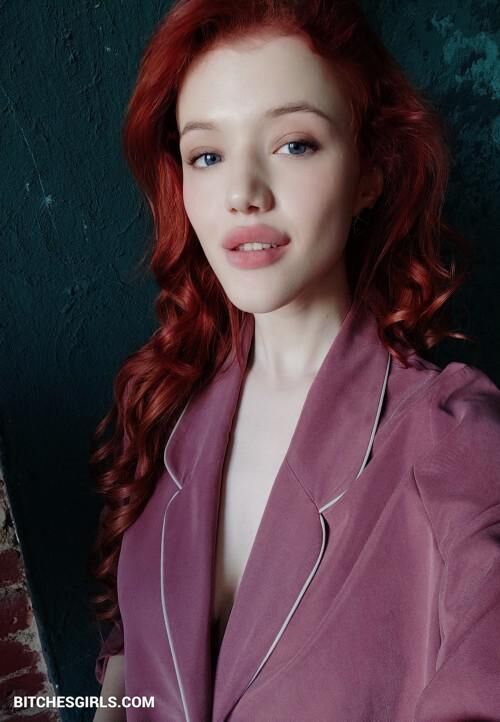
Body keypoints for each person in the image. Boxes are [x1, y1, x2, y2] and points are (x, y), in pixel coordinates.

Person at [89, 0, 500, 720]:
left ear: (370, 172)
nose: (243, 194)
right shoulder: (166, 409)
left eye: (294, 144)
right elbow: (134, 661)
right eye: (207, 155)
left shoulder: (452, 437)